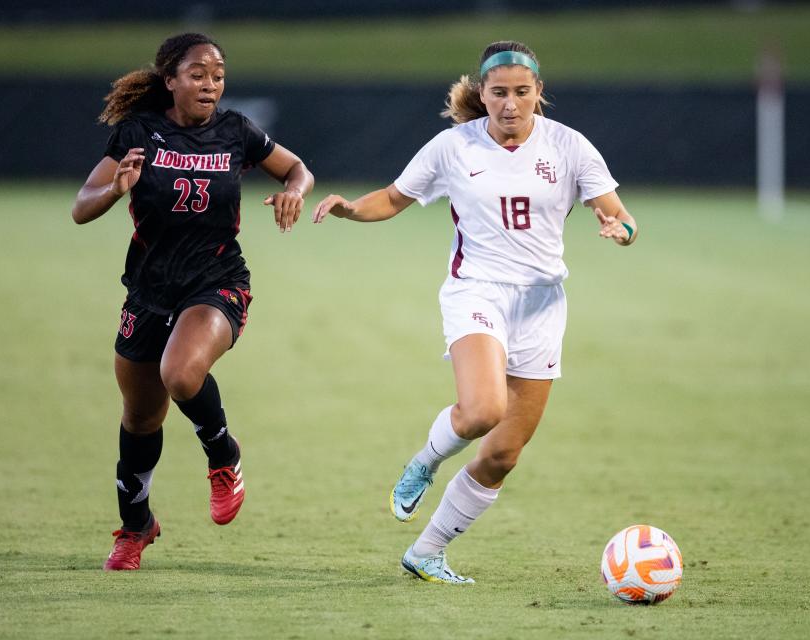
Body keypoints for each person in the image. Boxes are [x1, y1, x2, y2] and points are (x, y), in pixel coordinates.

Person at [313, 41, 637, 584]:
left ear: (539, 94)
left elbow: (623, 219)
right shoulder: (452, 147)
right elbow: (393, 198)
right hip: (477, 292)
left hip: (541, 305)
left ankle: (427, 552)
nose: (511, 104)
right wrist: (349, 208)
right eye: (500, 93)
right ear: (482, 94)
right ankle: (424, 461)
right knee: (482, 410)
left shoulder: (570, 147)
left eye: (522, 92)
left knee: (502, 454)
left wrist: (618, 231)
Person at [72, 33, 314, 571]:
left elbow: (298, 169)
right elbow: (81, 207)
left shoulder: (236, 131)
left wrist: (294, 191)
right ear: (171, 80)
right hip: (149, 289)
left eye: (218, 74)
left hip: (217, 281)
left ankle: (223, 455)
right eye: (198, 74)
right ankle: (136, 528)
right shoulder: (139, 133)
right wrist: (115, 189)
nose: (211, 84)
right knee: (140, 418)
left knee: (181, 373)